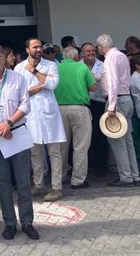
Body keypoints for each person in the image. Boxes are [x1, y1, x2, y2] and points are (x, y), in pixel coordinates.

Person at [0, 44, 38, 241]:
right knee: (2, 182)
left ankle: (27, 222)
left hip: (17, 131)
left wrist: (9, 123)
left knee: (22, 181)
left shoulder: (18, 78)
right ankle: (9, 223)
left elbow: (25, 105)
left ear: (4, 58)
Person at [14, 37, 65, 202]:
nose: (38, 49)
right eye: (34, 47)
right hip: (30, 114)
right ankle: (38, 184)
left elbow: (52, 85)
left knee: (54, 152)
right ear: (27, 49)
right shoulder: (18, 68)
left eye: (40, 47)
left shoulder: (51, 65)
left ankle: (56, 187)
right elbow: (16, 92)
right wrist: (33, 90)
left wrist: (34, 72)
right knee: (35, 152)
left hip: (49, 113)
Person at [97, 34, 140, 187]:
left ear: (102, 47)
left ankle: (126, 177)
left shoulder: (110, 58)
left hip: (117, 100)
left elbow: (113, 82)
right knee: (128, 140)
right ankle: (134, 175)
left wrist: (111, 105)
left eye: (99, 47)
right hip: (126, 98)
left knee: (118, 141)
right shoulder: (122, 55)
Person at [55, 46, 97, 189]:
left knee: (61, 147)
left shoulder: (55, 68)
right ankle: (78, 180)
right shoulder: (82, 68)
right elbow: (93, 87)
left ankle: (59, 178)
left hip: (59, 109)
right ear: (75, 56)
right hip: (79, 108)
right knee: (80, 146)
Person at [81, 42, 109, 177]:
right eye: (88, 51)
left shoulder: (102, 65)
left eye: (92, 51)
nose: (91, 53)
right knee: (84, 137)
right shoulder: (77, 65)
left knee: (100, 135)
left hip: (98, 103)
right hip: (84, 103)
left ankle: (100, 167)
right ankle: (87, 166)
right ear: (82, 54)